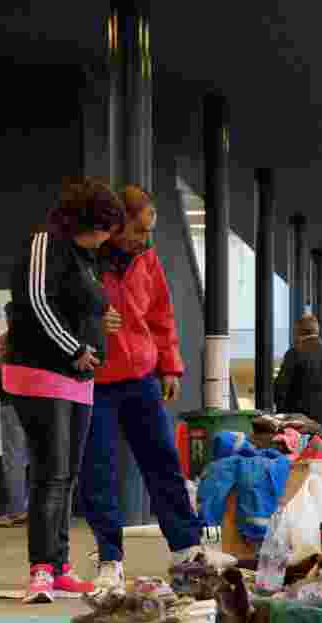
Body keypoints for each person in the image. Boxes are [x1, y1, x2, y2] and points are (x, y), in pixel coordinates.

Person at [79, 184, 213, 594]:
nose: (146, 239)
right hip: (96, 382)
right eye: (139, 231)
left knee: (163, 462)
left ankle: (187, 548)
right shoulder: (83, 261)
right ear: (116, 227)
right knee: (98, 470)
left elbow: (162, 314)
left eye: (151, 230)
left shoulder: (147, 259)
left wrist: (170, 367)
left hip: (141, 377)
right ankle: (110, 558)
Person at [3, 178, 123, 603]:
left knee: (67, 476)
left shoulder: (84, 258)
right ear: (84, 220)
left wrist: (100, 323)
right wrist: (75, 347)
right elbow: (36, 301)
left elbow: (78, 305)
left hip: (78, 380)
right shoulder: (45, 244)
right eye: (102, 228)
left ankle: (60, 565)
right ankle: (41, 568)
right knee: (50, 474)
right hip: (40, 373)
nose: (104, 238)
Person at [274, 314, 322, 431]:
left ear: (298, 331)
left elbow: (281, 389)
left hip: (304, 427)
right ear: (317, 330)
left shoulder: (294, 353)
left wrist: (282, 418)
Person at [0, 304, 31, 528]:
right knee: (38, 457)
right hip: (40, 401)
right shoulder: (39, 337)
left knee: (14, 459)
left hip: (12, 402)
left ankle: (17, 510)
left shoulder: (9, 339)